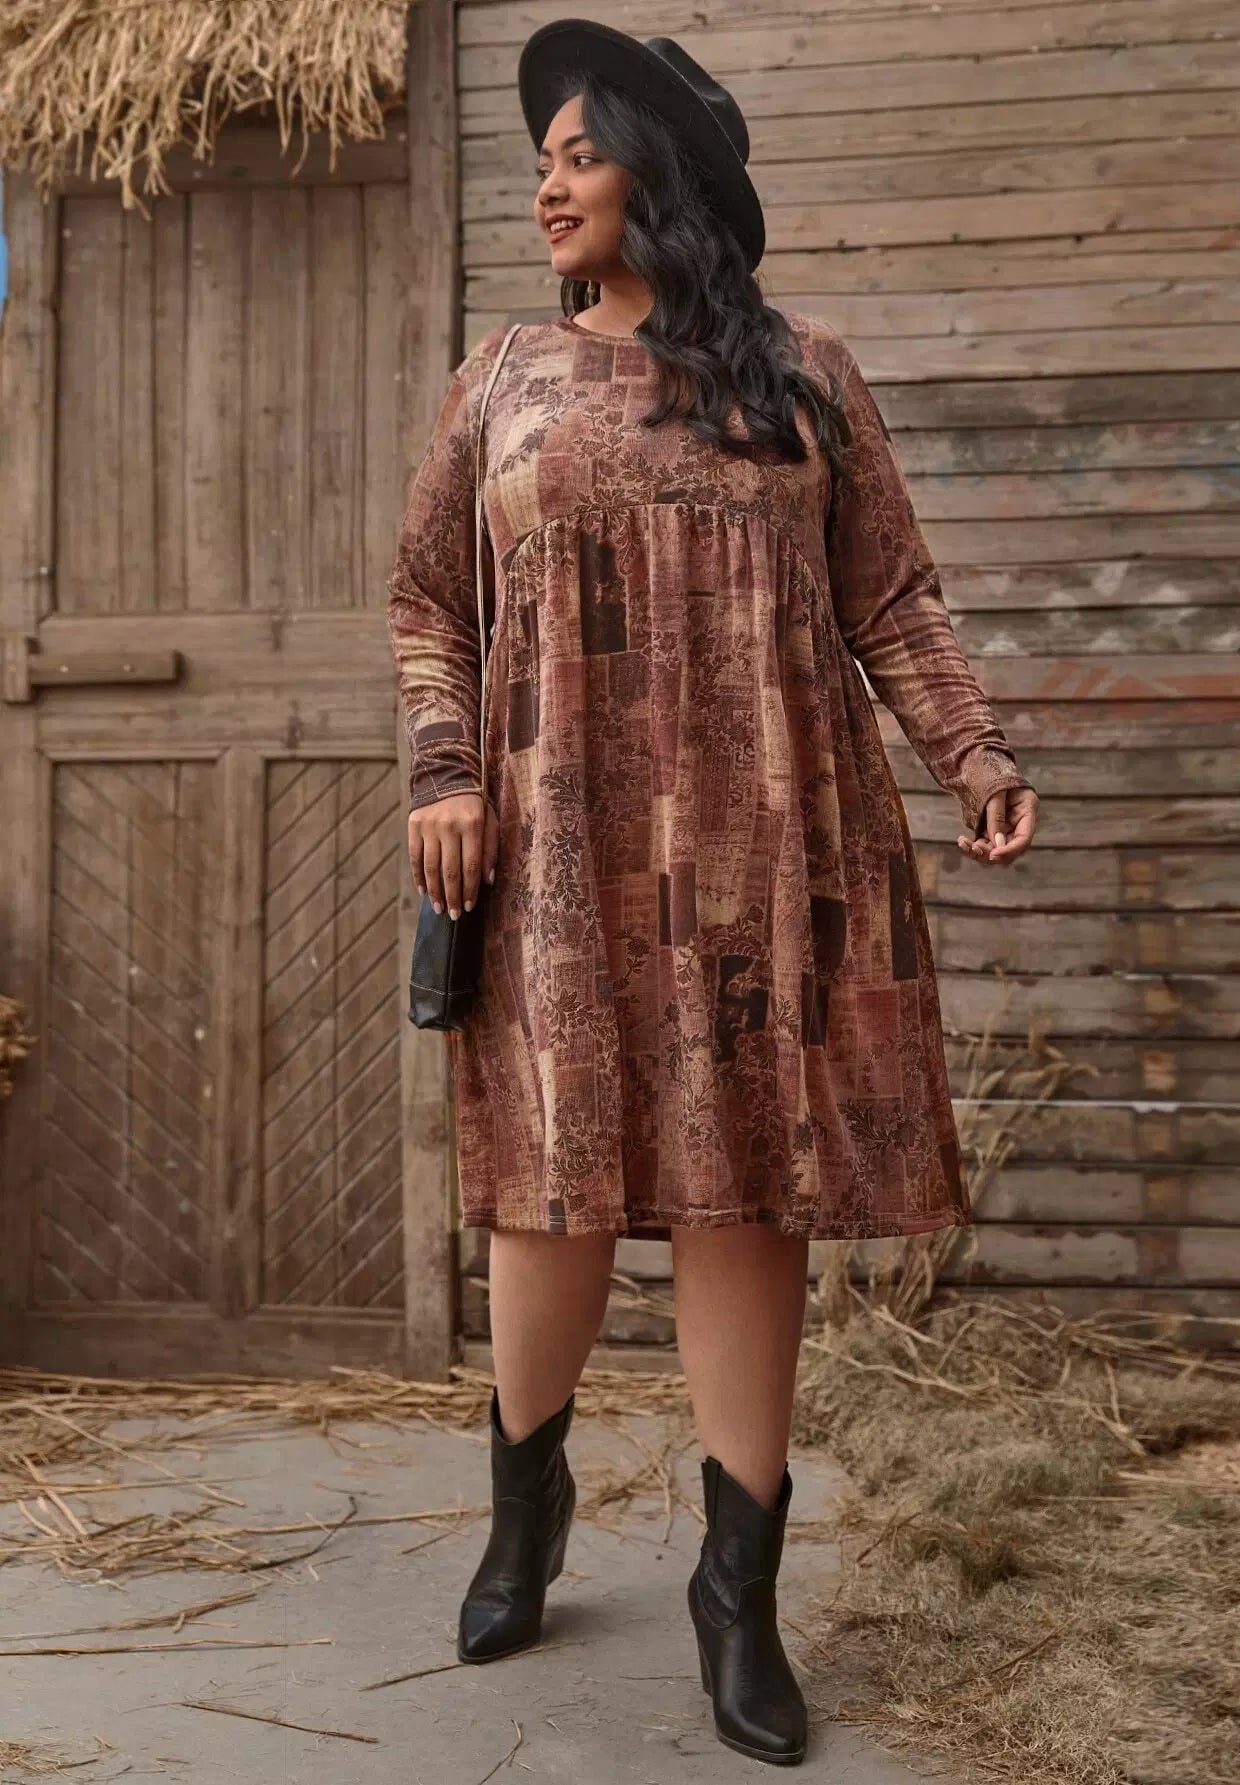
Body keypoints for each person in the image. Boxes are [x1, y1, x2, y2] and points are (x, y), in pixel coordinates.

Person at [386, 18, 1039, 1767]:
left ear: (659, 176)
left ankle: (737, 1596)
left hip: (771, 850)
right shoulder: (504, 378)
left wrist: (973, 753)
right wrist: (445, 773)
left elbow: (891, 598)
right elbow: (429, 600)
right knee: (550, 1194)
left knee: (753, 1192)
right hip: (562, 849)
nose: (546, 185)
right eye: (539, 160)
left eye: (578, 154)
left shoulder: (806, 375)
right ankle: (527, 1511)